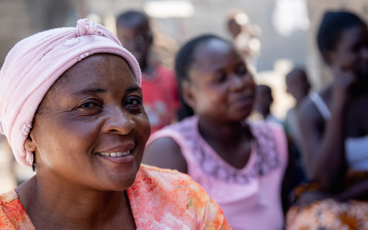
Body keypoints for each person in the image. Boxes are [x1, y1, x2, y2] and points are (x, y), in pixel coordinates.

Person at [0, 19, 230, 229]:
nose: (124, 123)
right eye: (88, 105)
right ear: (28, 134)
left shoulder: (184, 201)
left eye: (132, 101)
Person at [143, 34, 292, 229]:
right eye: (220, 78)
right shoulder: (169, 152)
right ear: (190, 94)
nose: (239, 85)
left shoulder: (274, 138)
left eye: (242, 71)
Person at [287, 11, 368, 229]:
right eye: (356, 48)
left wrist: (342, 196)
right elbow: (325, 180)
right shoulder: (313, 111)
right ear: (329, 58)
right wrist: (339, 106)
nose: (366, 54)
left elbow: (330, 192)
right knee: (316, 219)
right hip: (350, 205)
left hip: (348, 197)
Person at [116, 11, 179, 134]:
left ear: (150, 39)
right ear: (118, 43)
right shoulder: (119, 82)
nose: (133, 46)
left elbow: (177, 116)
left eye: (139, 39)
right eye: (126, 40)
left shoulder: (169, 77)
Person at [284, 68, 311, 149]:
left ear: (309, 84)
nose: (299, 87)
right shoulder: (290, 113)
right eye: (293, 84)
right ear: (287, 90)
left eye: (301, 81)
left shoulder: (317, 106)